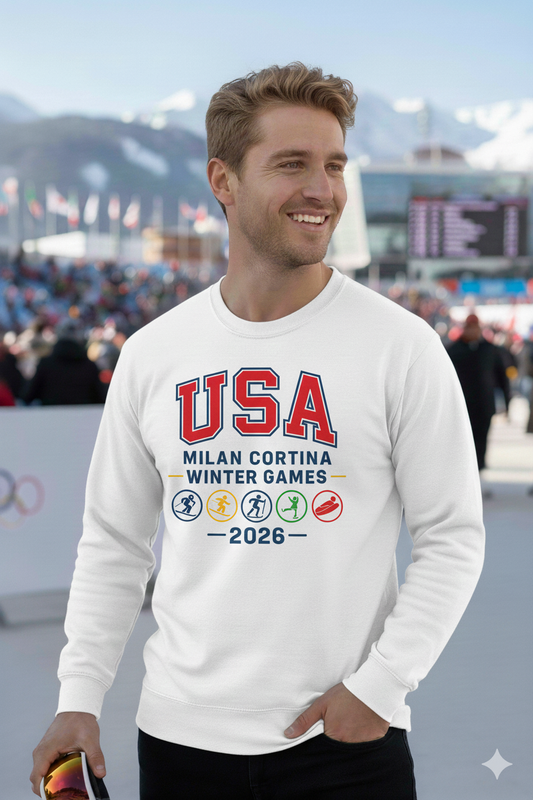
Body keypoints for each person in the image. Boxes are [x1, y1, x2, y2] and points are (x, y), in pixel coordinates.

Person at [31, 63, 485, 800]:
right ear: (224, 180)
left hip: (345, 746)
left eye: (334, 165)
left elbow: (452, 536)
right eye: (292, 165)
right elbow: (114, 542)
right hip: (180, 744)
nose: (322, 189)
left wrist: (379, 686)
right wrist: (77, 698)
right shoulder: (154, 354)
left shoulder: (399, 346)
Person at [446, 314, 511, 475]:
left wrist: (507, 402)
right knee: (461, 440)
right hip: (461, 404)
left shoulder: (490, 349)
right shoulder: (453, 350)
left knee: (481, 437)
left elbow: (502, 377)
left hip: (484, 404)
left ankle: (479, 468)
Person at [23, 321, 106, 406]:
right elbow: (101, 397)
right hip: (83, 417)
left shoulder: (45, 364)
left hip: (51, 417)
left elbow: (28, 395)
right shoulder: (90, 367)